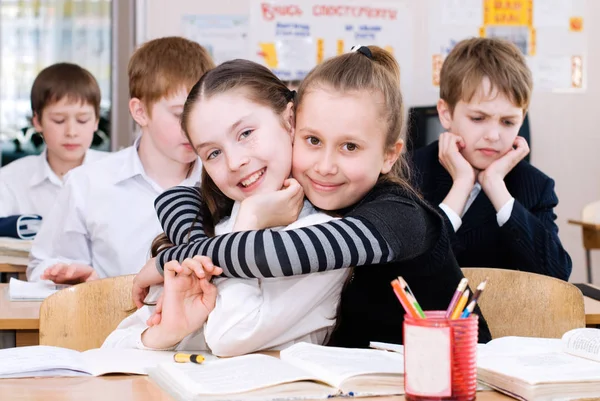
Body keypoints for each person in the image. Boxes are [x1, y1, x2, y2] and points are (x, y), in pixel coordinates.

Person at [134, 46, 492, 347]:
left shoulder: (399, 216)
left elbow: (271, 255)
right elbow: (178, 198)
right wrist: (191, 245)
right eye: (313, 141)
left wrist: (175, 257)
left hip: (456, 378)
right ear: (293, 127)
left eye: (349, 147)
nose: (324, 166)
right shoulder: (299, 194)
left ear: (389, 155)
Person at [103, 60, 348, 356]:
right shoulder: (202, 230)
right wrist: (166, 333)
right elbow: (114, 348)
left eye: (245, 133)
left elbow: (230, 337)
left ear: (290, 120)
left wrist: (249, 223)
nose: (234, 162)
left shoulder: (323, 240)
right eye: (214, 153)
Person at [26, 37, 214, 283]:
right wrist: (77, 282)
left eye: (202, 113)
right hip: (111, 319)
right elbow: (41, 265)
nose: (193, 127)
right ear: (140, 112)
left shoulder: (224, 179)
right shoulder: (88, 183)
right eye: (180, 114)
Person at [411, 37, 571, 281]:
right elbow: (412, 269)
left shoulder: (535, 186)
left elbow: (557, 275)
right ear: (446, 114)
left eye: (508, 122)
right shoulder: (410, 173)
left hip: (506, 318)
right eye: (478, 118)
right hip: (427, 318)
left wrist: (496, 187)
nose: (494, 135)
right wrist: (462, 185)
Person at [0, 63, 106, 239]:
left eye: (82, 120)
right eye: (58, 120)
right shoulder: (10, 180)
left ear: (96, 121)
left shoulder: (117, 174)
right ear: (37, 121)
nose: (71, 132)